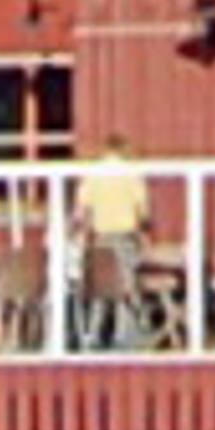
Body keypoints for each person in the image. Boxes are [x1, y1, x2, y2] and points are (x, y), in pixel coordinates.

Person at [76, 139, 153, 349]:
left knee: (100, 288)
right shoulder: (132, 174)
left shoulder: (92, 175)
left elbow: (82, 211)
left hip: (100, 238)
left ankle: (93, 334)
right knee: (125, 286)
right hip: (125, 237)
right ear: (123, 150)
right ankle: (124, 335)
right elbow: (143, 213)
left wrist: (83, 234)